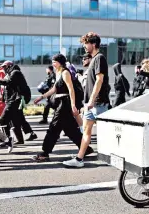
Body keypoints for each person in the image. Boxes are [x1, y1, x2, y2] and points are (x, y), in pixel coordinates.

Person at [31, 54, 90, 162]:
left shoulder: (65, 72)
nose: (53, 64)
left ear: (60, 62)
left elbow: (71, 90)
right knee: (70, 129)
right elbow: (54, 89)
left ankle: (45, 153)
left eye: (54, 62)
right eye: (52, 62)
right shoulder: (58, 73)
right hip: (61, 103)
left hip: (65, 103)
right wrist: (42, 97)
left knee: (53, 127)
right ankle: (86, 149)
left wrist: (73, 105)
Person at [63, 32, 110, 168]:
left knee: (107, 133)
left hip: (98, 103)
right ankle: (79, 159)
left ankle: (118, 157)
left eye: (86, 43)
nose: (84, 46)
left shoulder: (100, 58)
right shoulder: (93, 60)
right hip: (91, 104)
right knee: (86, 131)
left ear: (93, 44)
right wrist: (86, 103)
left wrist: (91, 101)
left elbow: (99, 80)